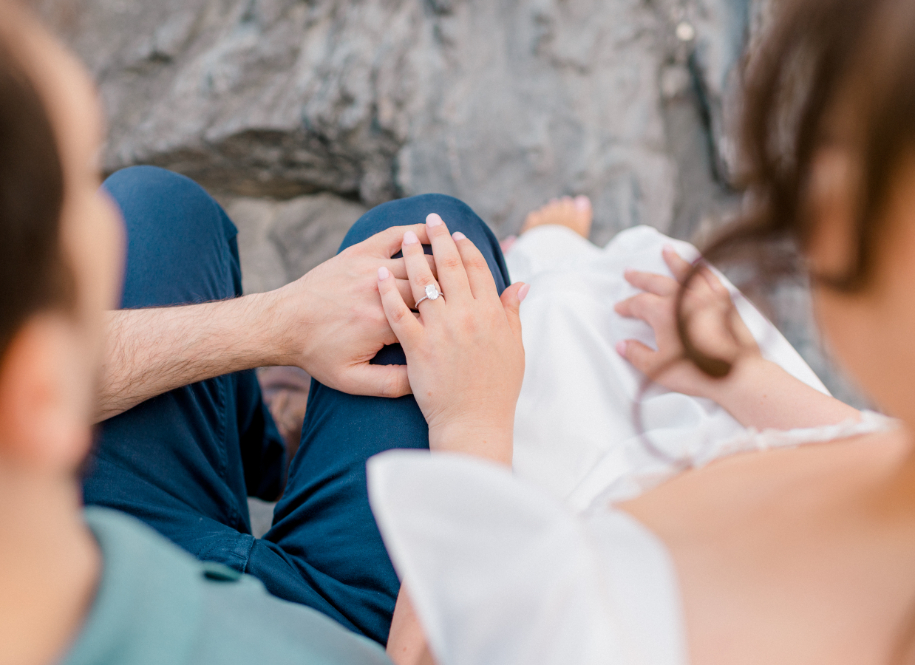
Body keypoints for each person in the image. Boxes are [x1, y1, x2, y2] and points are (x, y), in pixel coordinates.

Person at [0, 0, 522, 662]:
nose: (101, 216)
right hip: (350, 626)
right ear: (36, 394)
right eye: (73, 199)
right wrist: (475, 428)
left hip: (90, 535)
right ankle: (285, 439)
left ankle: (271, 443)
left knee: (153, 205)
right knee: (431, 232)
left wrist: (282, 322)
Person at [366, 0, 915, 662]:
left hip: (480, 510)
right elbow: (868, 439)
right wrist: (746, 376)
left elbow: (432, 650)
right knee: (627, 285)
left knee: (430, 252)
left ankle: (543, 260)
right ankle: (554, 257)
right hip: (659, 449)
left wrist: (469, 423)